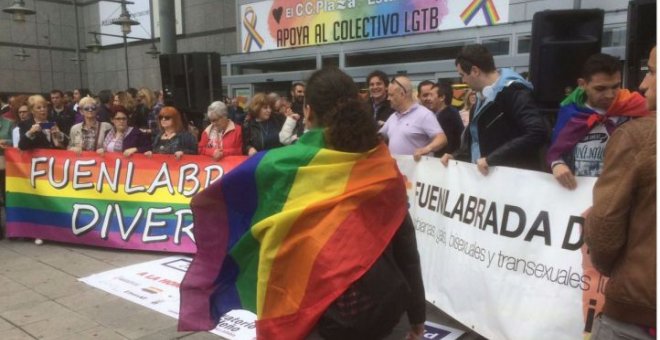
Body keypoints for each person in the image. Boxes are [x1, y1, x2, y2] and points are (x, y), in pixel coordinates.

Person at [179, 67, 425, 339]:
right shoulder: (380, 165)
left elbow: (219, 204)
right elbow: (407, 249)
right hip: (381, 310)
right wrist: (417, 317)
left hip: (315, 316)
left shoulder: (279, 166)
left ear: (308, 111)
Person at [584, 46, 656, 340]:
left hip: (636, 312)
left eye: (652, 71)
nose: (642, 84)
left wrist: (609, 266)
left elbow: (605, 227)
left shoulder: (638, 135)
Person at [441, 44, 548, 175]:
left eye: (462, 75)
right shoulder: (480, 100)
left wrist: (492, 159)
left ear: (475, 71)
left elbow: (536, 132)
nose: (463, 80)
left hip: (512, 179)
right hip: (489, 179)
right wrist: (456, 156)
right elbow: (475, 142)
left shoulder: (515, 92)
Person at [547, 53, 649, 189]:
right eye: (600, 89)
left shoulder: (636, 109)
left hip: (619, 195)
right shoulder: (570, 113)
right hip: (576, 194)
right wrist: (556, 164)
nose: (610, 95)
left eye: (615, 86)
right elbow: (556, 150)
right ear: (582, 84)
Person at [379, 76, 447, 161]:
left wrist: (426, 149)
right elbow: (379, 138)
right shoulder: (393, 117)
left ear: (402, 94)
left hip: (418, 171)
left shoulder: (424, 114)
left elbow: (441, 138)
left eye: (391, 95)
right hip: (397, 172)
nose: (388, 98)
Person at [418, 81, 464, 155]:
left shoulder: (448, 116)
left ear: (442, 97)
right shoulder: (443, 113)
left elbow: (446, 145)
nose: (429, 99)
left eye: (431, 95)